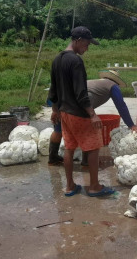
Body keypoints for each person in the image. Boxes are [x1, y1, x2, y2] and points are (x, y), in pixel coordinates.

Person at [48, 26, 113, 197]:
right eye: (87, 44)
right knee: (93, 147)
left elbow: (53, 90)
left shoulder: (57, 60)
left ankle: (70, 186)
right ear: (78, 41)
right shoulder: (75, 61)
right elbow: (80, 92)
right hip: (78, 113)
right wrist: (92, 114)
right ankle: (94, 187)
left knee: (69, 148)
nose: (88, 47)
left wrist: (55, 110)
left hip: (64, 113)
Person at [48, 70, 137, 166]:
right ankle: (86, 161)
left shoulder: (94, 82)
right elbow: (121, 106)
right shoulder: (113, 86)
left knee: (58, 130)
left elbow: (66, 91)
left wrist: (55, 110)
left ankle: (53, 157)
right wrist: (131, 125)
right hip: (81, 107)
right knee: (88, 133)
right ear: (116, 81)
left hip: (64, 103)